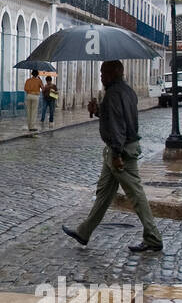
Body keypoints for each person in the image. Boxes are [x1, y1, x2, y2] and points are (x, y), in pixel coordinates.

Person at [61, 59, 164, 253]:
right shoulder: (128, 91)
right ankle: (84, 232)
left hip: (121, 152)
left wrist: (116, 153)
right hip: (116, 150)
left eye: (103, 74)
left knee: (135, 194)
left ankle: (153, 237)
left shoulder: (114, 94)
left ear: (112, 74)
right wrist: (98, 110)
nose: (100, 77)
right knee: (103, 194)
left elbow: (118, 126)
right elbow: (117, 118)